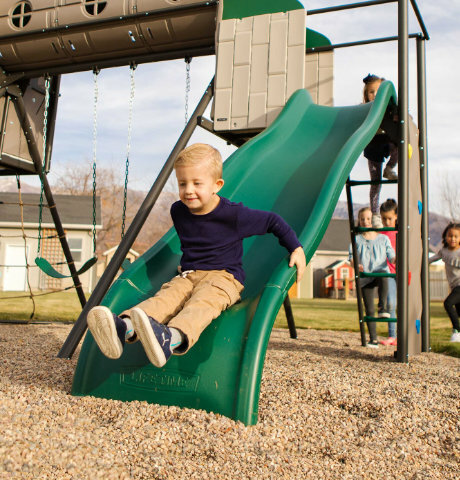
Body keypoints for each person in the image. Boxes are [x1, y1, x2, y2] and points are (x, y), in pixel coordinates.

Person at [87, 143, 307, 367]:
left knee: (201, 304)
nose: (188, 190)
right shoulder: (179, 211)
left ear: (217, 185)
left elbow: (272, 221)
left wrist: (296, 248)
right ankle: (124, 328)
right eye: (182, 183)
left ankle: (170, 339)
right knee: (166, 298)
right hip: (189, 275)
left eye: (196, 183)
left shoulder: (234, 215)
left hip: (224, 278)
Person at [350, 206, 396, 348]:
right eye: (362, 219)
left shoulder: (383, 238)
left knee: (383, 274)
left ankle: (383, 308)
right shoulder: (357, 239)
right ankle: (373, 339)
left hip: (379, 272)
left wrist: (396, 259)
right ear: (359, 221)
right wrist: (356, 265)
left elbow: (391, 256)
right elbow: (352, 257)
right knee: (369, 309)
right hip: (365, 275)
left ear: (373, 220)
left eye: (368, 218)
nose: (365, 221)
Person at [362, 74, 398, 228]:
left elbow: (401, 117)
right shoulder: (365, 109)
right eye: (371, 92)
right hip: (373, 145)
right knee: (375, 182)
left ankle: (390, 167)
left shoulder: (389, 109)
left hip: (387, 140)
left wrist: (397, 116)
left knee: (398, 145)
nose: (375, 95)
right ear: (366, 94)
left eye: (378, 91)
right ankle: (375, 213)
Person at [429, 222, 460, 343]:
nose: (452, 239)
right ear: (445, 237)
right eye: (450, 236)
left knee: (448, 303)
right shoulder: (444, 251)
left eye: (456, 236)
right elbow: (431, 259)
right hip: (454, 286)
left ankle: (456, 331)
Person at [379, 199, 398, 346]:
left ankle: (405, 334)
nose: (386, 221)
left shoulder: (401, 231)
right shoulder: (381, 234)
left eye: (389, 218)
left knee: (405, 303)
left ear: (396, 216)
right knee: (390, 303)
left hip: (403, 272)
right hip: (388, 273)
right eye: (384, 218)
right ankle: (393, 335)